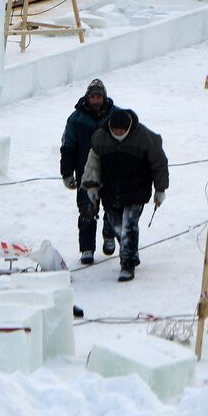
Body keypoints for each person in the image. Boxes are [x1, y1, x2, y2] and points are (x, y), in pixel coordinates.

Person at [81, 108, 169, 282]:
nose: (118, 132)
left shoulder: (145, 137)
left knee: (129, 225)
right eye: (115, 130)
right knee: (118, 227)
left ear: (129, 126)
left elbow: (159, 163)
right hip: (110, 191)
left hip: (137, 190)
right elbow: (93, 164)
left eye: (122, 130)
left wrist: (160, 189)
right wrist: (91, 186)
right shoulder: (100, 138)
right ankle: (118, 240)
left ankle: (127, 264)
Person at [60, 78, 119, 266]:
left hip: (111, 170)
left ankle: (109, 235)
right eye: (93, 97)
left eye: (99, 97)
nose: (96, 100)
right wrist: (67, 173)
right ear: (88, 97)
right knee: (86, 209)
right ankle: (87, 248)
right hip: (86, 172)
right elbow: (68, 147)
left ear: (104, 98)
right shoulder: (75, 119)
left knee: (112, 207)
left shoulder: (115, 116)